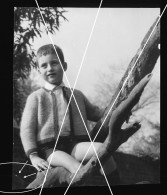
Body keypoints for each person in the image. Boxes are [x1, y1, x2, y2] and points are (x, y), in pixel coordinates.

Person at [20, 44, 121, 185]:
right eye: (44, 65)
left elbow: (96, 113)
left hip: (75, 145)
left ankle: (116, 185)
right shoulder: (36, 97)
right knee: (77, 169)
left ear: (64, 66)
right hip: (50, 150)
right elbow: (26, 130)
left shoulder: (77, 95)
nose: (49, 68)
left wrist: (120, 110)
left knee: (102, 150)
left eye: (54, 63)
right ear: (39, 70)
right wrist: (34, 156)